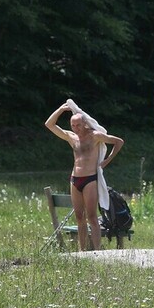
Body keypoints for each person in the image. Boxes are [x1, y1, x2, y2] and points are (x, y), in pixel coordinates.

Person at [45, 100, 124, 251]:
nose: (76, 129)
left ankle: (97, 250)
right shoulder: (71, 137)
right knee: (80, 218)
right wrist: (61, 109)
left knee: (92, 217)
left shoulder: (95, 136)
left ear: (85, 124)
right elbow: (49, 125)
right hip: (75, 179)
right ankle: (82, 252)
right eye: (73, 126)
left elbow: (118, 142)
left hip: (90, 179)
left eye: (78, 125)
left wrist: (107, 160)